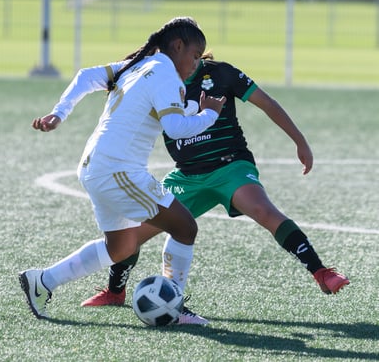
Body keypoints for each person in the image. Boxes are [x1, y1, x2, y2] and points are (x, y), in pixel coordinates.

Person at [80, 54, 350, 322]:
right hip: (186, 177)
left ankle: (321, 272)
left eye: (195, 53)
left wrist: (300, 141)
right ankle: (115, 291)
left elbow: (267, 103)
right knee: (130, 234)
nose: (189, 60)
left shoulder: (221, 73)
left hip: (230, 167)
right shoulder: (158, 81)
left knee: (262, 210)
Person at [18, 17, 227, 324]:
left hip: (94, 166)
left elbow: (86, 76)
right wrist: (209, 114)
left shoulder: (138, 66)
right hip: (118, 170)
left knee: (121, 246)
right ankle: (175, 307)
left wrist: (59, 113)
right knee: (185, 227)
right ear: (178, 46)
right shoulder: (164, 72)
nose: (196, 64)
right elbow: (175, 127)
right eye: (195, 55)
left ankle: (43, 280)